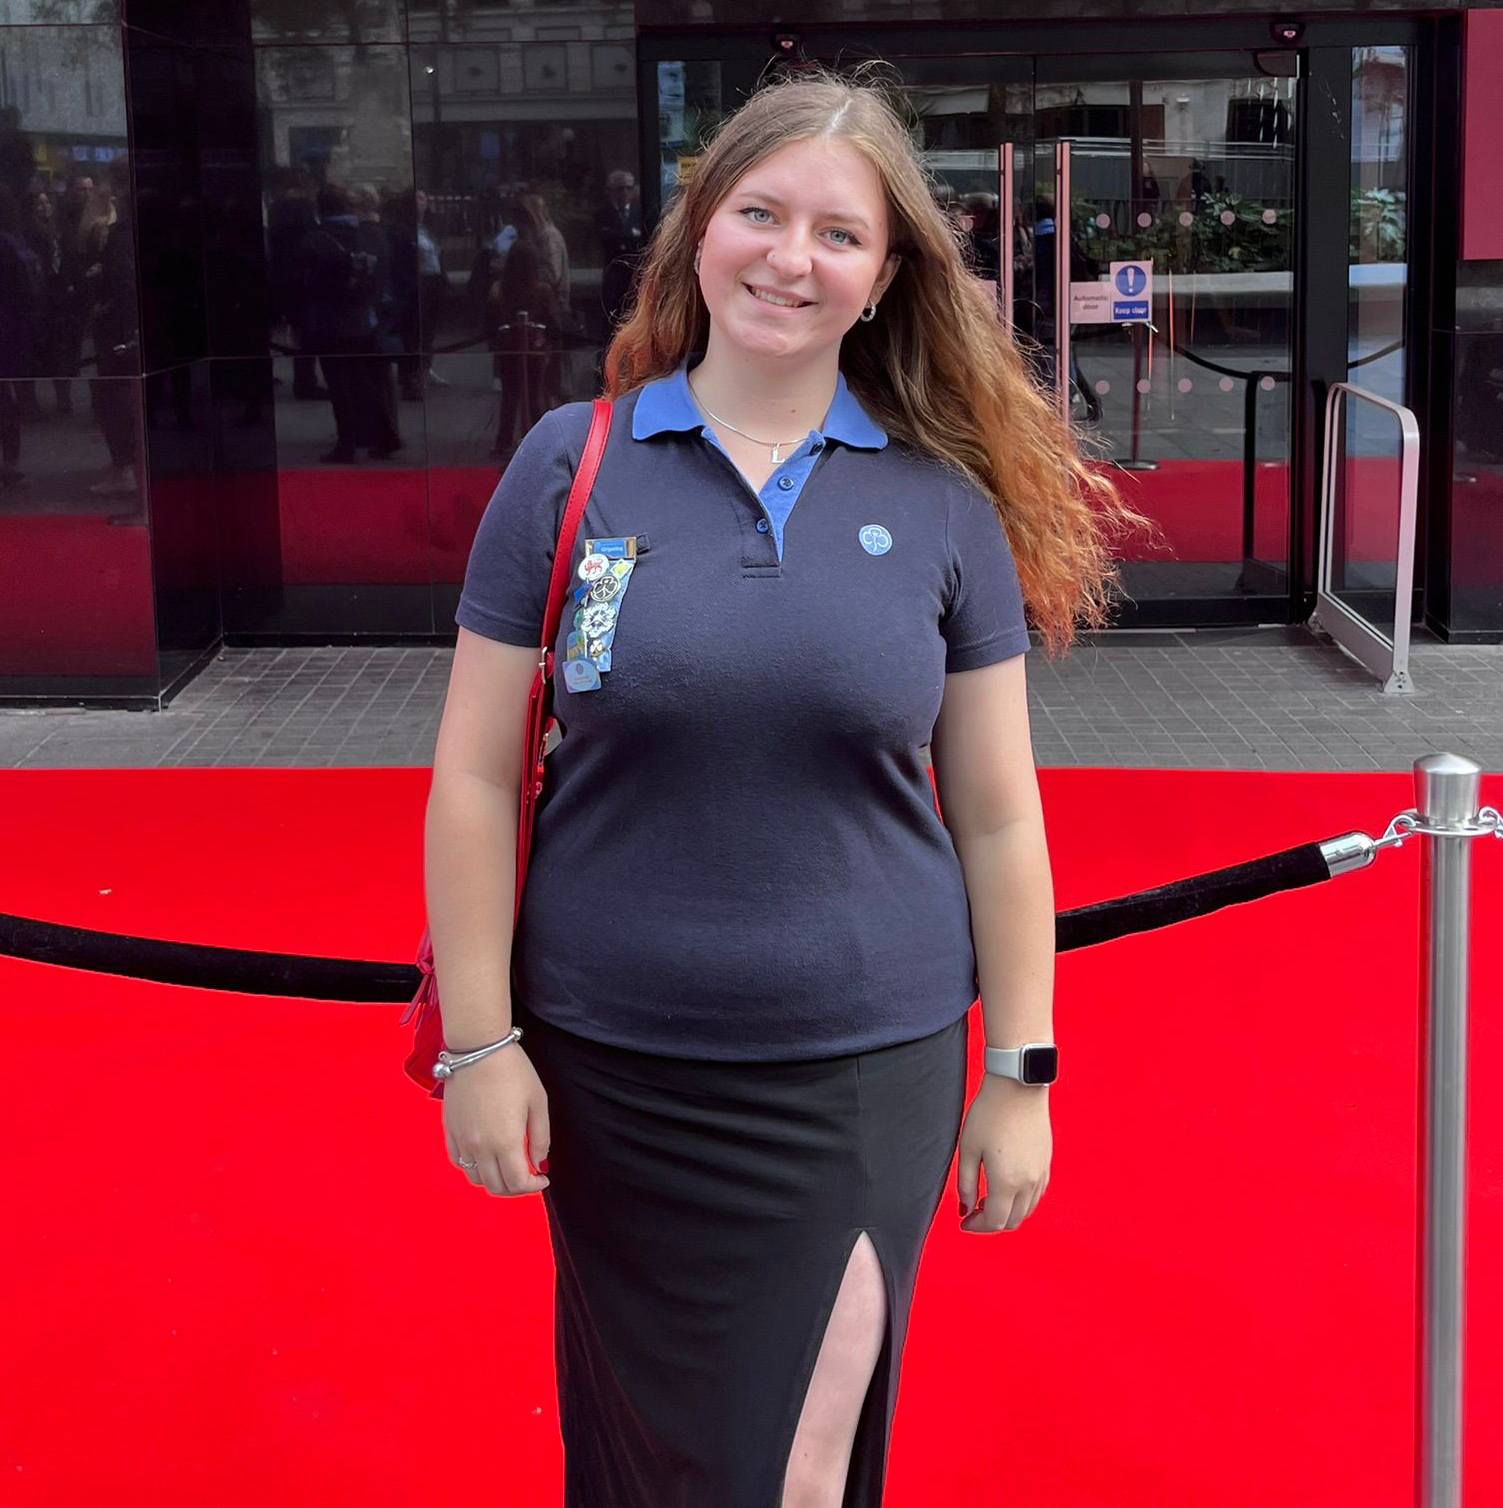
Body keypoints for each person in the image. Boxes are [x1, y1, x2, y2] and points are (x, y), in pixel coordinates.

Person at [425, 64, 1154, 1508]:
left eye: (838, 234)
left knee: (805, 1463)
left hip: (864, 1069)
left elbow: (1001, 813)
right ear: (701, 232)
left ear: (884, 280)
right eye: (760, 213)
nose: (790, 257)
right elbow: (473, 773)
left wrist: (1023, 1070)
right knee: (647, 1459)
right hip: (615, 1066)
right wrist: (480, 1043)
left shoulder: (939, 505)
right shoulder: (573, 466)